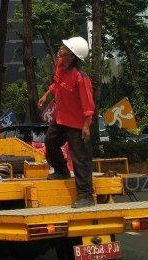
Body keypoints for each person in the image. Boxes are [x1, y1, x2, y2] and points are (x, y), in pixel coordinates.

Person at [38, 36, 96, 209]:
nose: (61, 49)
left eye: (64, 48)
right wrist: (46, 94)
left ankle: (85, 195)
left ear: (72, 55)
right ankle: (62, 171)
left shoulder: (80, 77)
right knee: (50, 142)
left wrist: (86, 125)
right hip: (61, 118)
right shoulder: (60, 65)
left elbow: (88, 104)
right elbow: (56, 84)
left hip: (77, 124)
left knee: (80, 158)